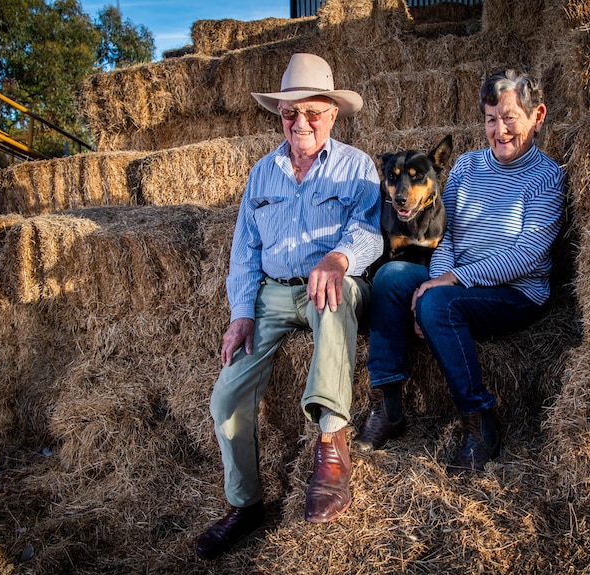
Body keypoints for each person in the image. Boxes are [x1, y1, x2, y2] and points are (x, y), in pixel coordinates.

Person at [196, 53, 383, 560]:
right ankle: (245, 505)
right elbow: (244, 251)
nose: (299, 123)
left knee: (333, 294)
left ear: (333, 113)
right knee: (226, 396)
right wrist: (241, 313)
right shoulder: (262, 173)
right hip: (274, 293)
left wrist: (338, 258)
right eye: (288, 113)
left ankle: (331, 445)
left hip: (334, 283)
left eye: (311, 113)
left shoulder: (356, 167)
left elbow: (370, 232)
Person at [353, 69, 566, 473]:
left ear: (537, 116)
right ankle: (388, 404)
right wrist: (439, 275)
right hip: (456, 280)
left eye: (509, 117)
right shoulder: (467, 167)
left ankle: (479, 421)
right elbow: (443, 233)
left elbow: (529, 255)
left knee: (437, 305)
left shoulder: (547, 178)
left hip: (515, 293)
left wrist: (448, 281)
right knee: (391, 276)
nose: (499, 129)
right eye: (490, 118)